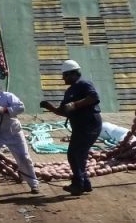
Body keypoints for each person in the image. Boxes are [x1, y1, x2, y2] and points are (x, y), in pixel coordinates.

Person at [40, 59, 102, 195]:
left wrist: (75, 105)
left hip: (89, 124)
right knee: (79, 154)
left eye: (65, 75)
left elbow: (94, 97)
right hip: (79, 126)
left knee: (75, 154)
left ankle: (78, 184)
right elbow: (63, 111)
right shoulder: (69, 91)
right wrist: (50, 107)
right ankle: (84, 183)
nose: (63, 78)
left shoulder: (84, 84)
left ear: (73, 74)